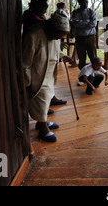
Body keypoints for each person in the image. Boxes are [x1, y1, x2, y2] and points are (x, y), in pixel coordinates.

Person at [22, 12, 73, 142]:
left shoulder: (55, 34)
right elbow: (25, 63)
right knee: (41, 99)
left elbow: (55, 50)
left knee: (46, 99)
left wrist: (63, 56)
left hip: (50, 72)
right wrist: (27, 81)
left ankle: (41, 122)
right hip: (37, 73)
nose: (60, 37)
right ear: (51, 27)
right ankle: (43, 129)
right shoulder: (33, 35)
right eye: (59, 34)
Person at [71, 0, 98, 70]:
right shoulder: (75, 12)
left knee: (93, 57)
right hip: (80, 38)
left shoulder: (91, 11)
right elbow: (75, 24)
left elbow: (93, 24)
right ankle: (83, 76)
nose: (85, 3)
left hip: (91, 37)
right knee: (81, 58)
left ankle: (93, 75)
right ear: (79, 3)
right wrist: (87, 22)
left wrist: (80, 23)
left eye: (86, 1)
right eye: (83, 2)